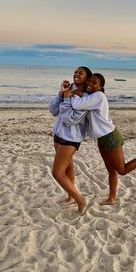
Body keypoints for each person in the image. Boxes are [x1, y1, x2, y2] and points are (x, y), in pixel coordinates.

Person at [61, 73, 136, 205]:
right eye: (89, 82)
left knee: (122, 170)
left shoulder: (98, 96)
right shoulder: (91, 96)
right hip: (102, 138)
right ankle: (112, 198)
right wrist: (73, 90)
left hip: (110, 137)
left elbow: (76, 105)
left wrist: (69, 94)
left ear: (101, 86)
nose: (90, 84)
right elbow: (82, 96)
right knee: (111, 170)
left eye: (94, 83)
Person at [49, 66, 92, 215]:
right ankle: (71, 196)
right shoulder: (69, 89)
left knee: (57, 173)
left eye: (80, 73)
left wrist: (67, 98)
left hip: (71, 138)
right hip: (59, 134)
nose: (76, 74)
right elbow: (53, 110)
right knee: (68, 168)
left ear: (87, 78)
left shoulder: (86, 97)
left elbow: (69, 119)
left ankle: (80, 200)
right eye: (75, 72)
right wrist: (61, 93)